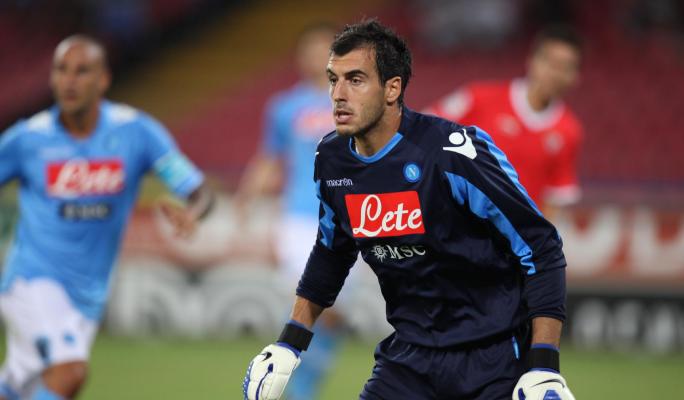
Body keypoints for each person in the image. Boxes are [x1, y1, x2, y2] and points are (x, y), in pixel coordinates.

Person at [243, 20, 575, 400]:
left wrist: (544, 365)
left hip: (493, 358)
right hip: (409, 358)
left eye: (355, 80)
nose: (337, 94)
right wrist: (290, 342)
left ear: (392, 88)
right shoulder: (331, 158)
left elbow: (542, 246)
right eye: (333, 79)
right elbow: (333, 250)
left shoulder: (452, 153)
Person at [0, 35, 213, 400]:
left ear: (103, 79)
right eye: (61, 70)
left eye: (82, 71)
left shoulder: (136, 132)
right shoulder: (28, 139)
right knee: (69, 372)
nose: (69, 80)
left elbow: (198, 190)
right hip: (32, 280)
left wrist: (192, 213)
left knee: (20, 386)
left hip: (88, 292)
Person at [234, 23, 352, 400]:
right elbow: (270, 157)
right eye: (309, 50)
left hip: (350, 220)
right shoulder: (284, 107)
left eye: (323, 50)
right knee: (309, 304)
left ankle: (307, 380)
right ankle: (301, 391)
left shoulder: (355, 102)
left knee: (333, 313)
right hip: (300, 218)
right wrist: (246, 198)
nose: (316, 57)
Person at [425, 25, 583, 215]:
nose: (556, 74)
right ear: (532, 61)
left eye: (566, 67)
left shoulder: (568, 131)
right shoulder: (479, 98)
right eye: (551, 63)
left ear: (575, 76)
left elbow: (553, 199)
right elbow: (422, 129)